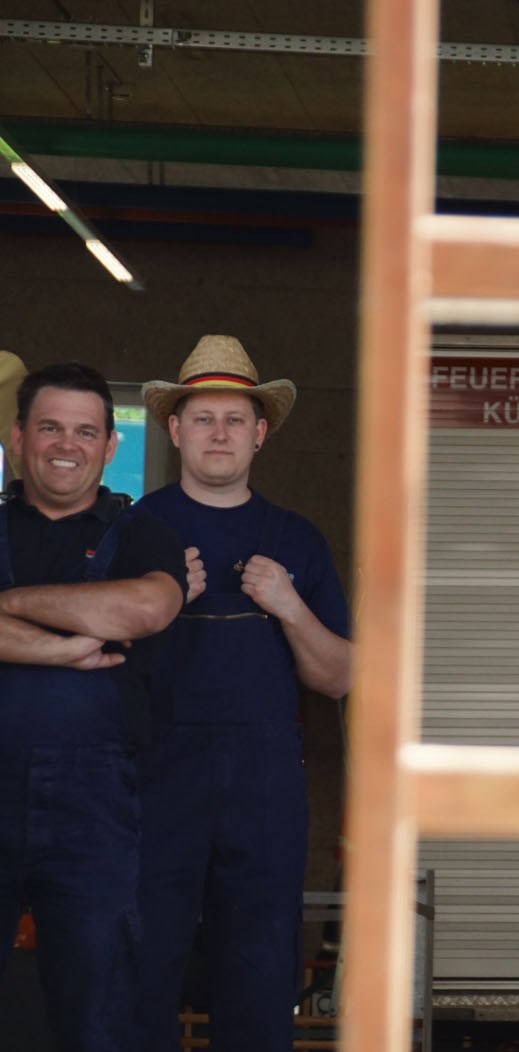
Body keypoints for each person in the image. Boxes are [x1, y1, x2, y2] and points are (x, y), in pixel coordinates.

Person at [131, 336, 352, 1052]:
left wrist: (290, 607)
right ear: (175, 430)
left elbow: (340, 676)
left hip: (263, 787)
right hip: (150, 780)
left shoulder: (297, 540)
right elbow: (92, 656)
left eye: (235, 419)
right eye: (203, 418)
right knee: (139, 970)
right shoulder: (133, 533)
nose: (219, 433)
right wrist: (158, 603)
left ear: (261, 433)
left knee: (258, 977)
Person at [0, 362, 186, 1052]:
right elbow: (108, 616)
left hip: (94, 810)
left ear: (110, 447)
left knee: (97, 1015)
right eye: (49, 427)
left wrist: (11, 607)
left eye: (85, 432)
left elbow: (144, 609)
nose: (65, 445)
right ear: (18, 436)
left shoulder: (143, 534)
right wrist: (61, 647)